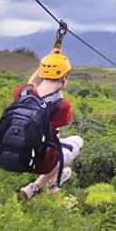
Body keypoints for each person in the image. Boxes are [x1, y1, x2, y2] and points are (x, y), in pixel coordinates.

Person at [18, 48, 84, 200]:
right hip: (41, 162)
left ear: (41, 73)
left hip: (18, 155)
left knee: (55, 142)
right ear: (65, 77)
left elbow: (31, 82)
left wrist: (48, 62)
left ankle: (48, 182)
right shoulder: (61, 107)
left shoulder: (22, 93)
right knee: (77, 142)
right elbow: (60, 105)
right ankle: (47, 182)